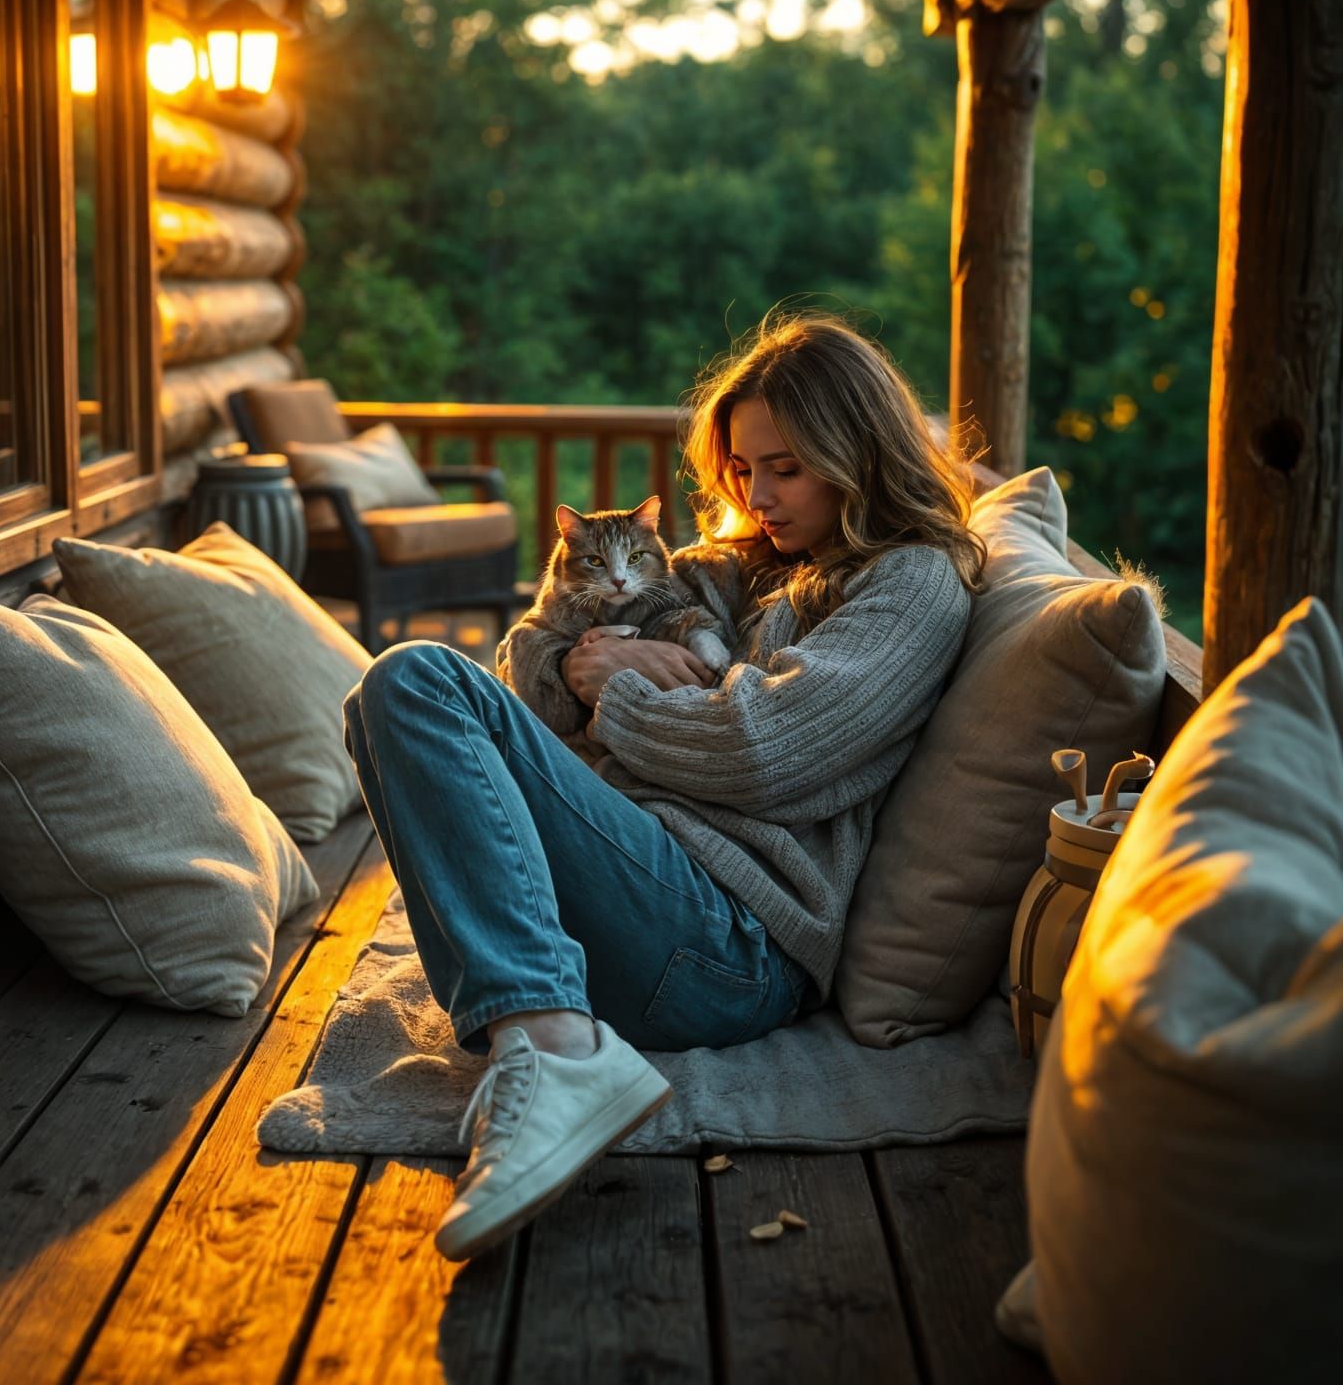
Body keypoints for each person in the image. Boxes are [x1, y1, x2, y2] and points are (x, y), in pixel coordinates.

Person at [341, 310, 987, 1262]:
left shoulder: (910, 585)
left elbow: (768, 750)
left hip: (731, 943)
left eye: (786, 468)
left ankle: (557, 1055)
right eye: (742, 468)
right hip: (640, 894)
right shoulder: (742, 566)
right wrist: (575, 671)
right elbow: (533, 661)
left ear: (858, 453)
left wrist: (619, 695)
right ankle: (544, 1031)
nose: (756, 495)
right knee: (388, 697)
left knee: (420, 679)